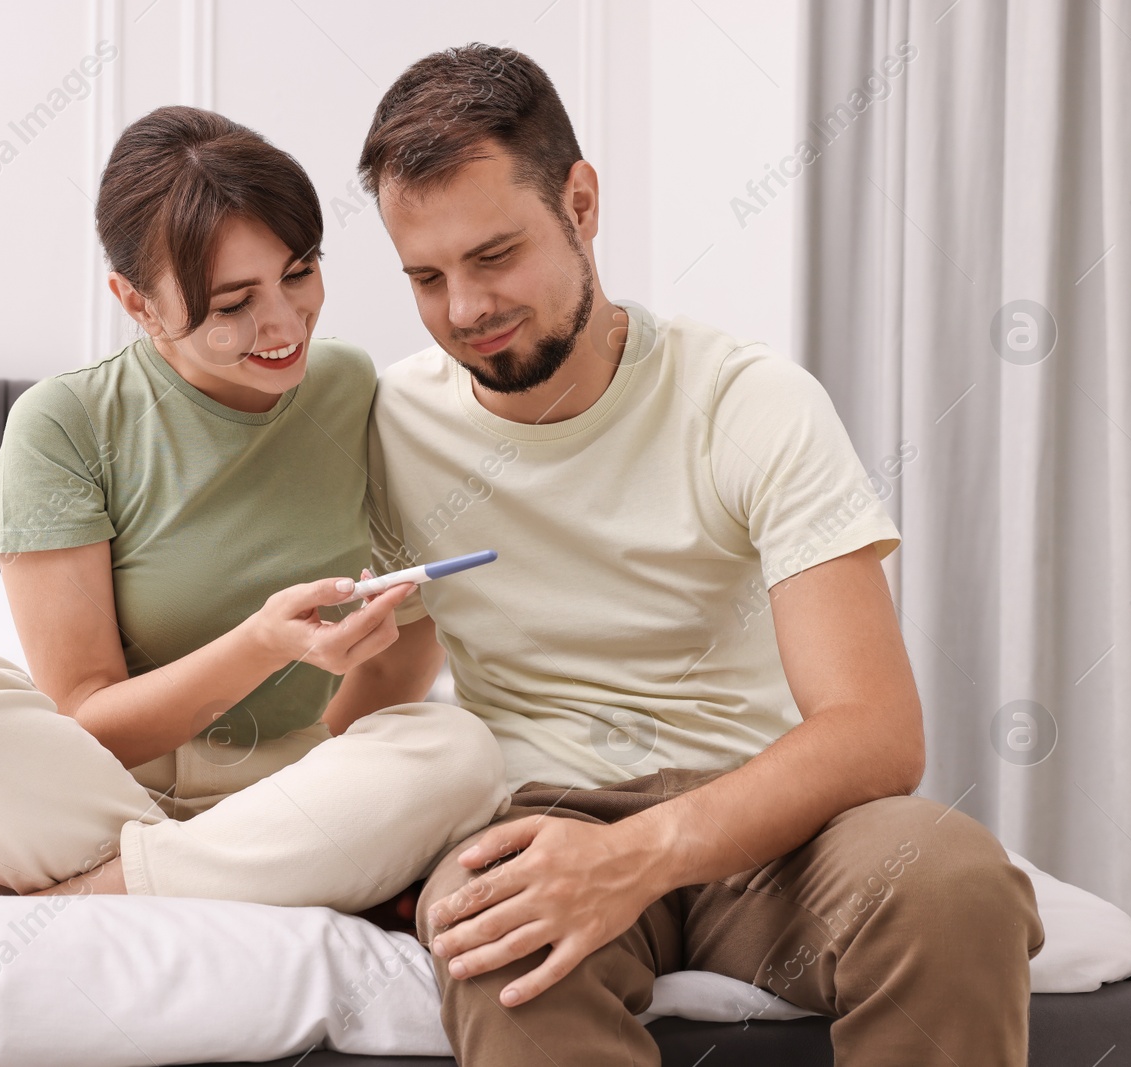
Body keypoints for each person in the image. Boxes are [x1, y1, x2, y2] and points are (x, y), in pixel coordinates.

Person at [330, 44, 1046, 1066]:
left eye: (495, 257)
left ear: (580, 202)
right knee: (494, 936)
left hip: (767, 816)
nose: (465, 310)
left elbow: (877, 730)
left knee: (952, 878)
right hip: (537, 809)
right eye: (426, 277)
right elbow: (393, 672)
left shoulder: (747, 402)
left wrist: (633, 856)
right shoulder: (389, 423)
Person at [0, 105, 510, 911]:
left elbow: (404, 643)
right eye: (231, 304)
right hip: (97, 789)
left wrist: (323, 781)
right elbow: (88, 717)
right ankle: (215, 876)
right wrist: (260, 646)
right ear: (136, 301)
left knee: (457, 749)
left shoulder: (352, 387)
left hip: (285, 786)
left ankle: (35, 906)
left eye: (300, 270)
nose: (284, 322)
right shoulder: (66, 425)